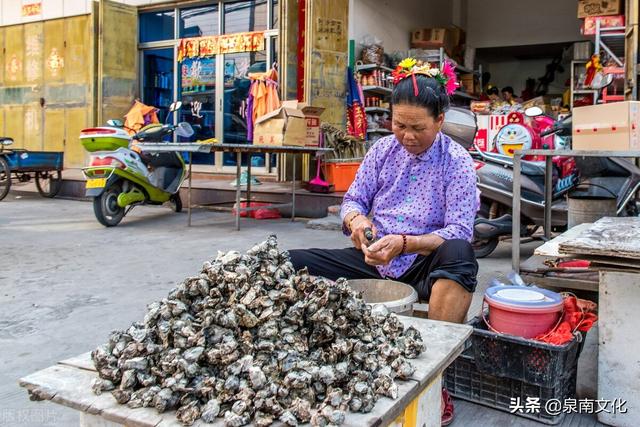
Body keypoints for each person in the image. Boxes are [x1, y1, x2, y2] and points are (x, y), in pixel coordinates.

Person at [289, 59, 478, 426]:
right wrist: (358, 224)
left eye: (418, 128)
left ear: (440, 121)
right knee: (287, 261)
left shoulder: (456, 161)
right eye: (399, 125)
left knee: (460, 255)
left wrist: (407, 243)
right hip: (374, 257)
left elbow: (459, 229)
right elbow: (353, 200)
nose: (407, 135)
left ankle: (434, 380)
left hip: (423, 262)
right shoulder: (381, 151)